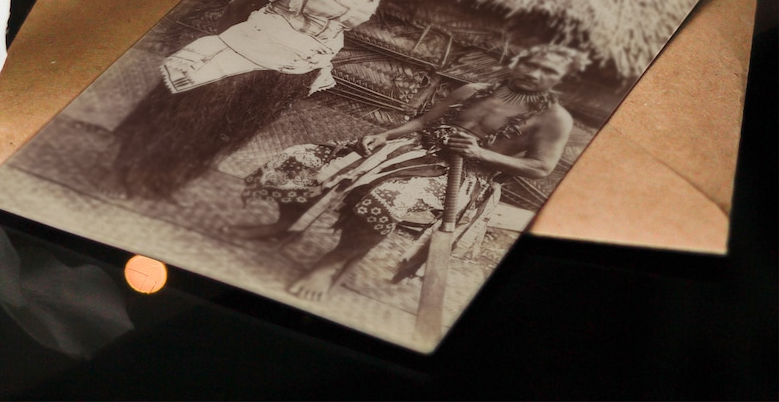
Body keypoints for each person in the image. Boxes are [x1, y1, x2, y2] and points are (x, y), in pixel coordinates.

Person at [231, 43, 588, 302]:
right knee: (303, 159)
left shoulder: (555, 118)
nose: (535, 74)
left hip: (464, 177)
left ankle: (332, 261)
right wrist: (384, 135)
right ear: (517, 61)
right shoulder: (473, 90)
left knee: (384, 197)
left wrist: (479, 152)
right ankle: (283, 223)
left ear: (562, 81)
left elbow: (540, 168)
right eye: (531, 64)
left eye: (549, 72)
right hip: (412, 149)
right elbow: (421, 122)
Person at [106, 0, 408, 198]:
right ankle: (131, 170)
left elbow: (336, 31)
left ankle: (167, 180)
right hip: (246, 53)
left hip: (293, 70)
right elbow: (239, 5)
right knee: (192, 116)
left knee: (230, 128)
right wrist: (229, 45)